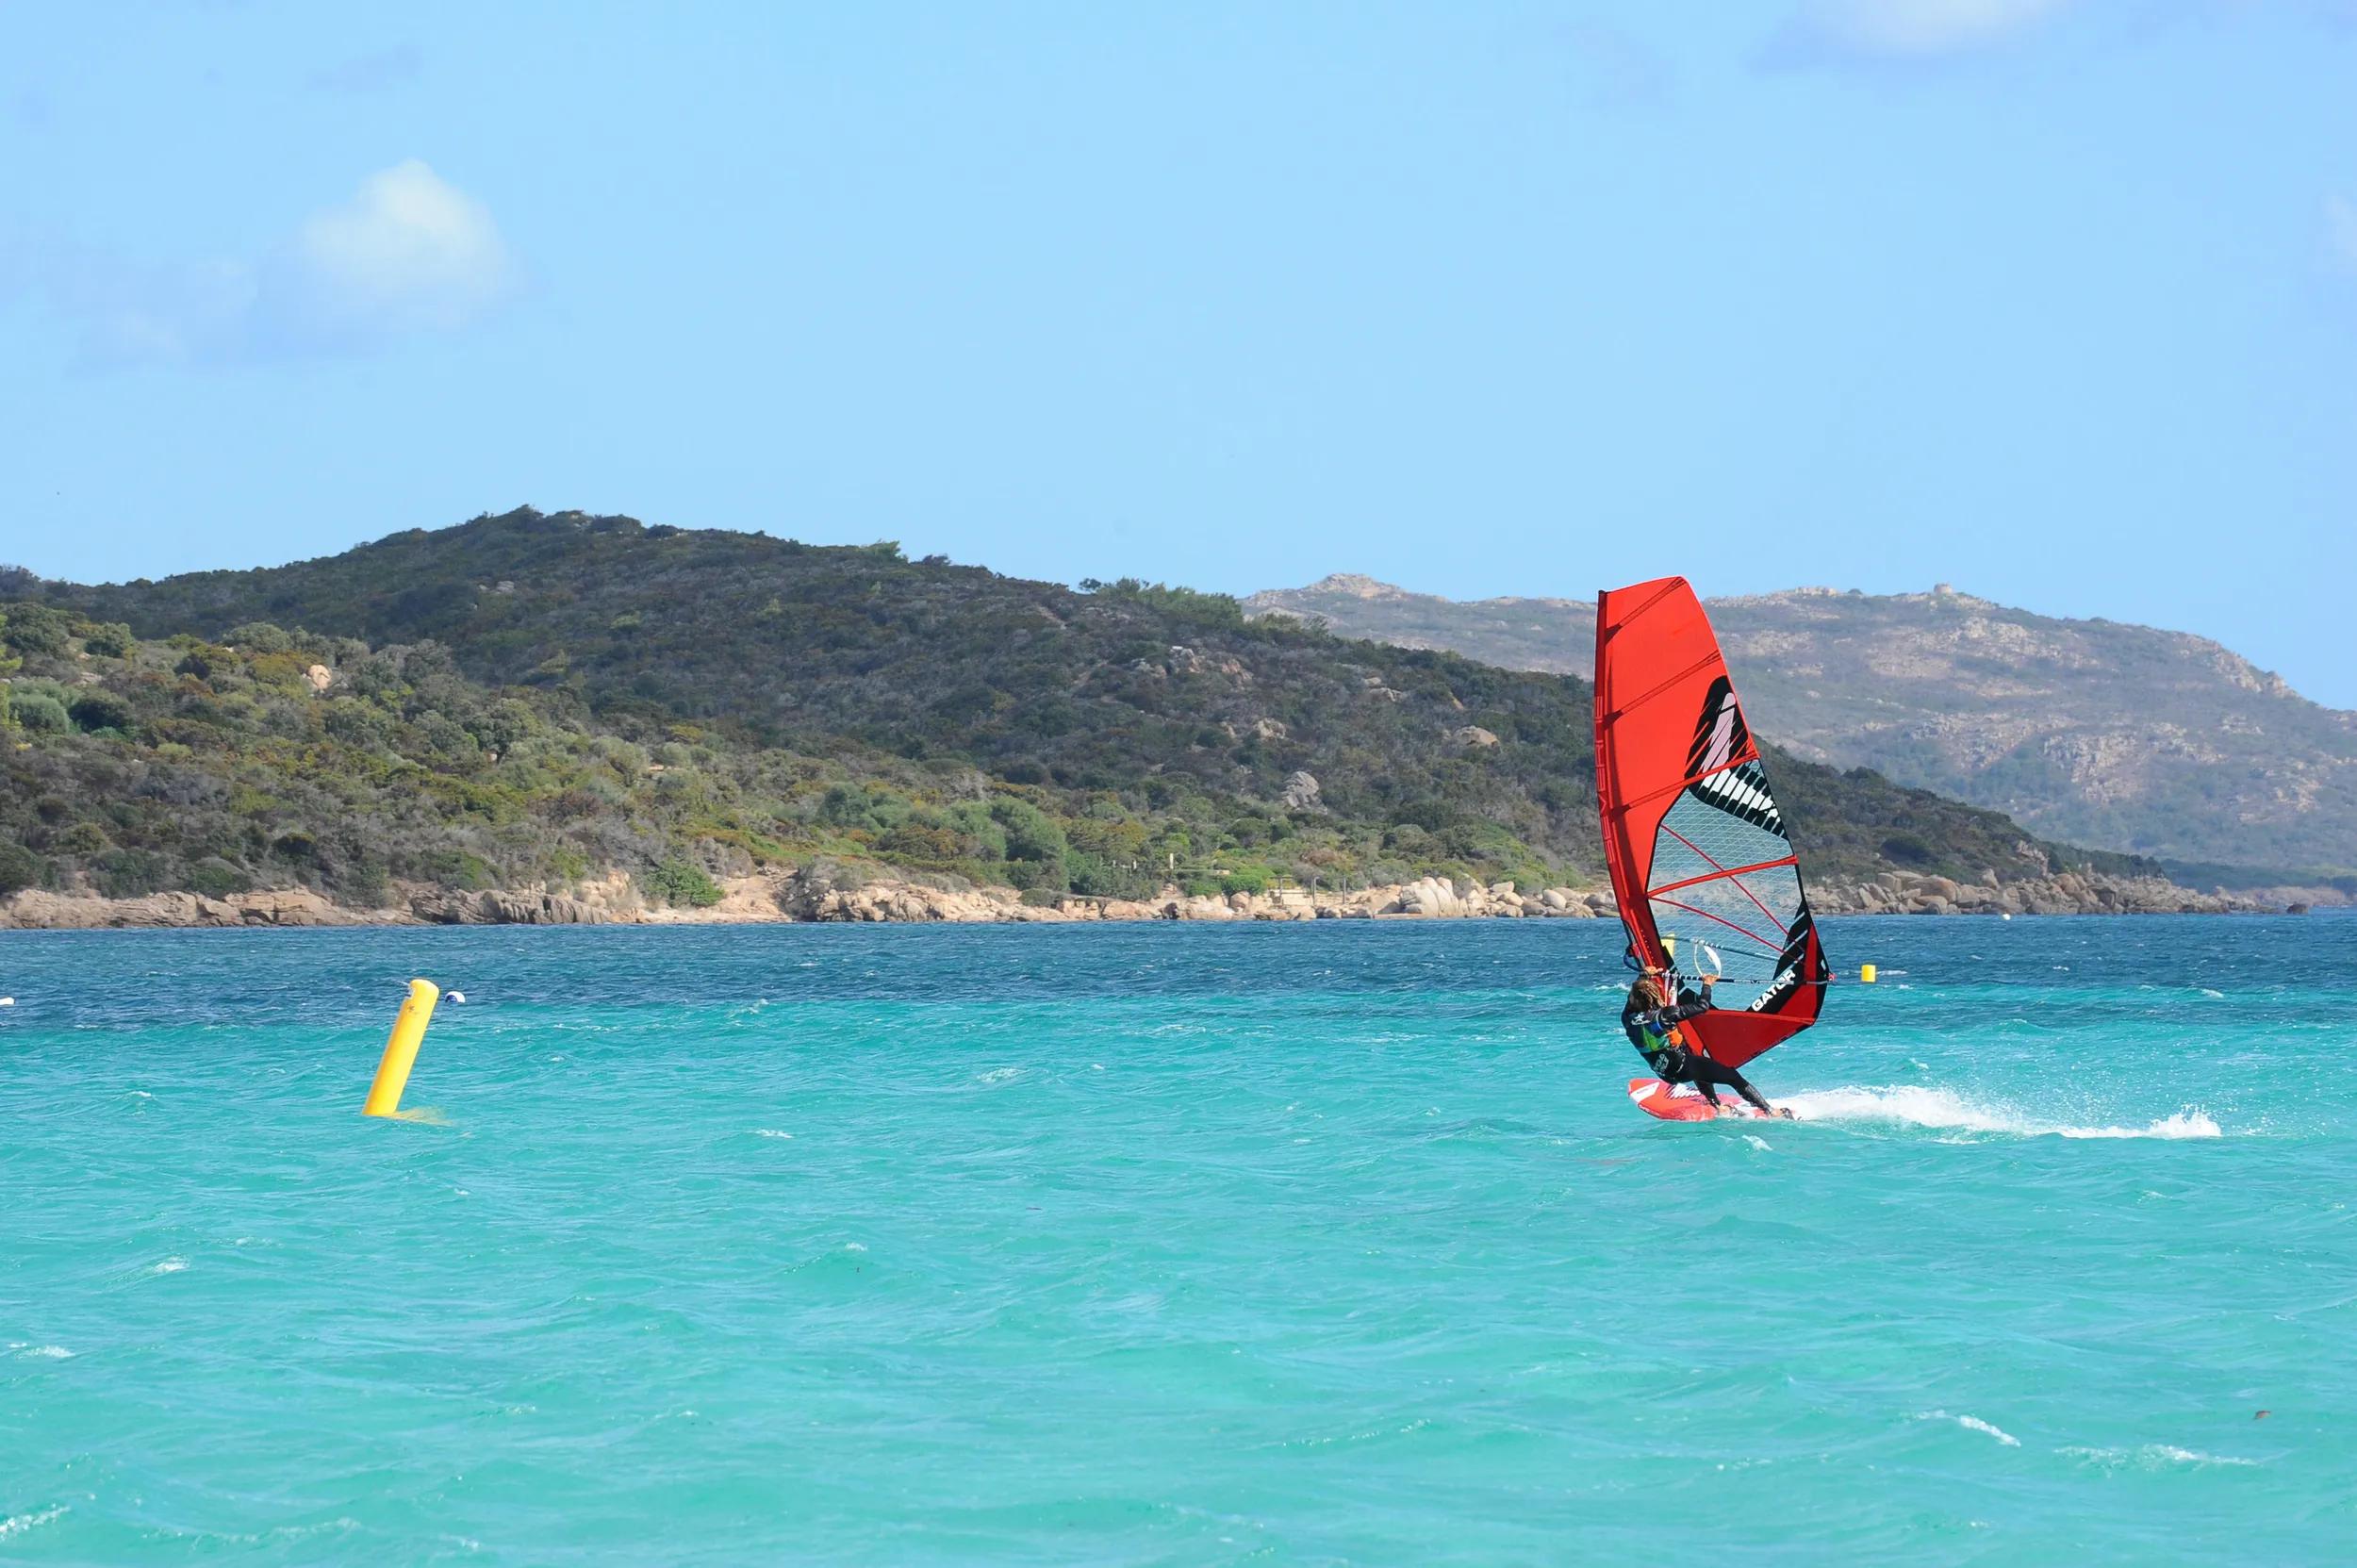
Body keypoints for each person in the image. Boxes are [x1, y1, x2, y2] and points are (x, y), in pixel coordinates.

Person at [1622, 966, 1789, 1117]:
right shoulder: (1666, 1015)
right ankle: (1770, 1111)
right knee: (1732, 1077)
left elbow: (1634, 999)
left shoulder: (1626, 1018)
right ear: (1653, 996)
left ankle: (1718, 1106)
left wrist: (1643, 975)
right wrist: (1707, 984)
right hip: (1684, 1068)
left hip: (1665, 1074)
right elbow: (1702, 1006)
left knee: (1699, 1067)